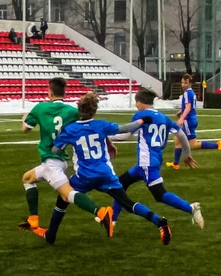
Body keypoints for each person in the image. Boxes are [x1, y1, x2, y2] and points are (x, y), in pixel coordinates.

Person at [37, 92, 172, 245]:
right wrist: (142, 120)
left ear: (78, 110)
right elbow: (124, 128)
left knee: (63, 197)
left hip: (84, 176)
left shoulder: (71, 130)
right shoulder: (101, 125)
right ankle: (159, 221)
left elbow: (55, 150)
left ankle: (51, 234)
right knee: (127, 203)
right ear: (94, 110)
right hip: (106, 174)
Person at [19, 78, 114, 237]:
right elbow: (89, 126)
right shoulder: (71, 111)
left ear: (49, 91)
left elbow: (25, 129)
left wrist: (24, 118)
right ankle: (33, 219)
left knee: (67, 194)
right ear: (64, 92)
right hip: (60, 160)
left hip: (51, 162)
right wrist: (109, 144)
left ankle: (101, 212)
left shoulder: (40, 108)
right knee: (27, 178)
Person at [109, 87, 204, 228]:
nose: (135, 105)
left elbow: (125, 135)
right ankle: (112, 219)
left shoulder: (141, 116)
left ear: (141, 102)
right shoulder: (163, 117)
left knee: (159, 194)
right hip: (151, 162)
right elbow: (181, 136)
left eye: (136, 102)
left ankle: (191, 208)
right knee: (120, 184)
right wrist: (187, 154)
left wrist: (105, 136)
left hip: (146, 163)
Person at [166, 74, 221, 169]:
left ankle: (217, 145)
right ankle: (176, 164)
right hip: (191, 119)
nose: (183, 85)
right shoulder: (191, 93)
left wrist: (182, 118)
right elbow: (189, 106)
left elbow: (189, 107)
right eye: (182, 82)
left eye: (185, 83)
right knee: (177, 140)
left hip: (188, 121)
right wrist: (181, 111)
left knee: (192, 144)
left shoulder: (187, 93)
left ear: (190, 83)